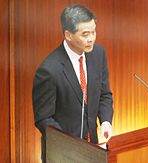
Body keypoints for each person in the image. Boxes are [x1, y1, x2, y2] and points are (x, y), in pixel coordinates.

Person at [32, 4, 114, 162]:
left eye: (93, 32)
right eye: (85, 34)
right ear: (68, 35)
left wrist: (105, 121)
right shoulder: (49, 70)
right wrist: (71, 145)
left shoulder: (98, 54)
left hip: (94, 149)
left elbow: (104, 94)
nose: (91, 38)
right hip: (63, 155)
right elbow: (43, 119)